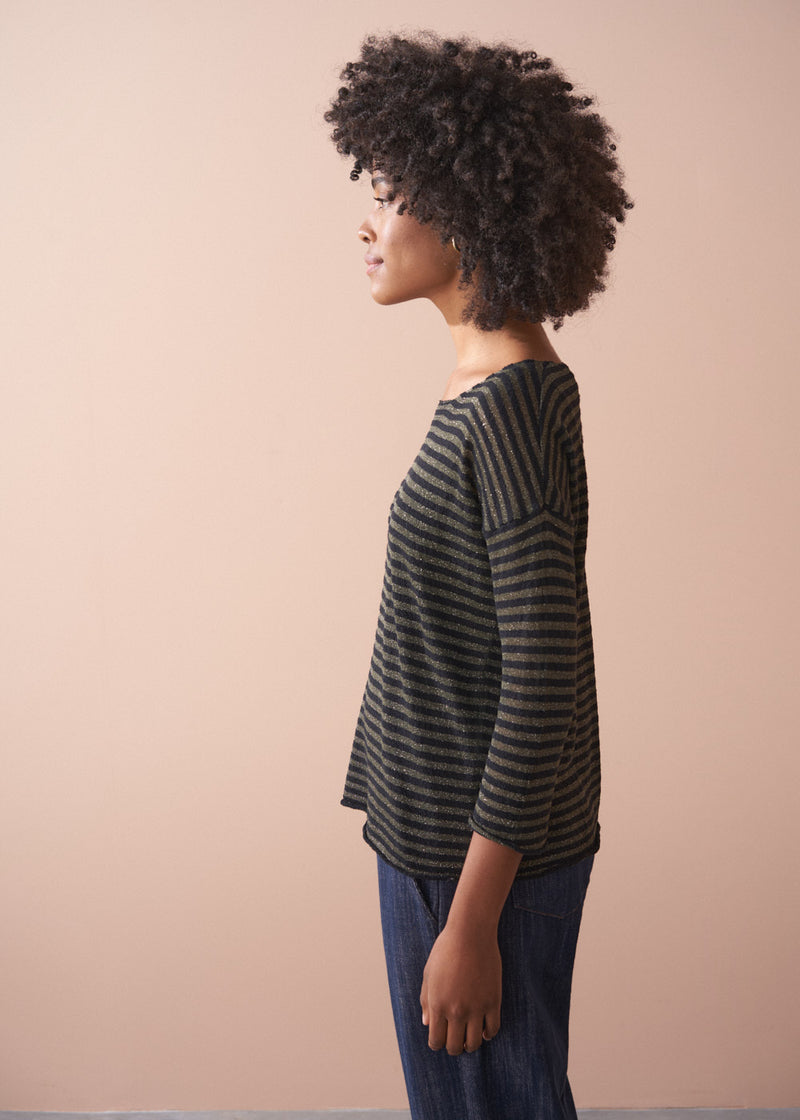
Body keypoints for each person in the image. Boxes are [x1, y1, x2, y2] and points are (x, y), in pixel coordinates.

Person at [325, 31, 632, 1120]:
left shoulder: (510, 407)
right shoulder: (488, 389)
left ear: (467, 211)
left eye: (388, 193)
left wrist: (467, 924)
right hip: (439, 840)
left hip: (474, 866)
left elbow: (542, 679)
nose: (367, 220)